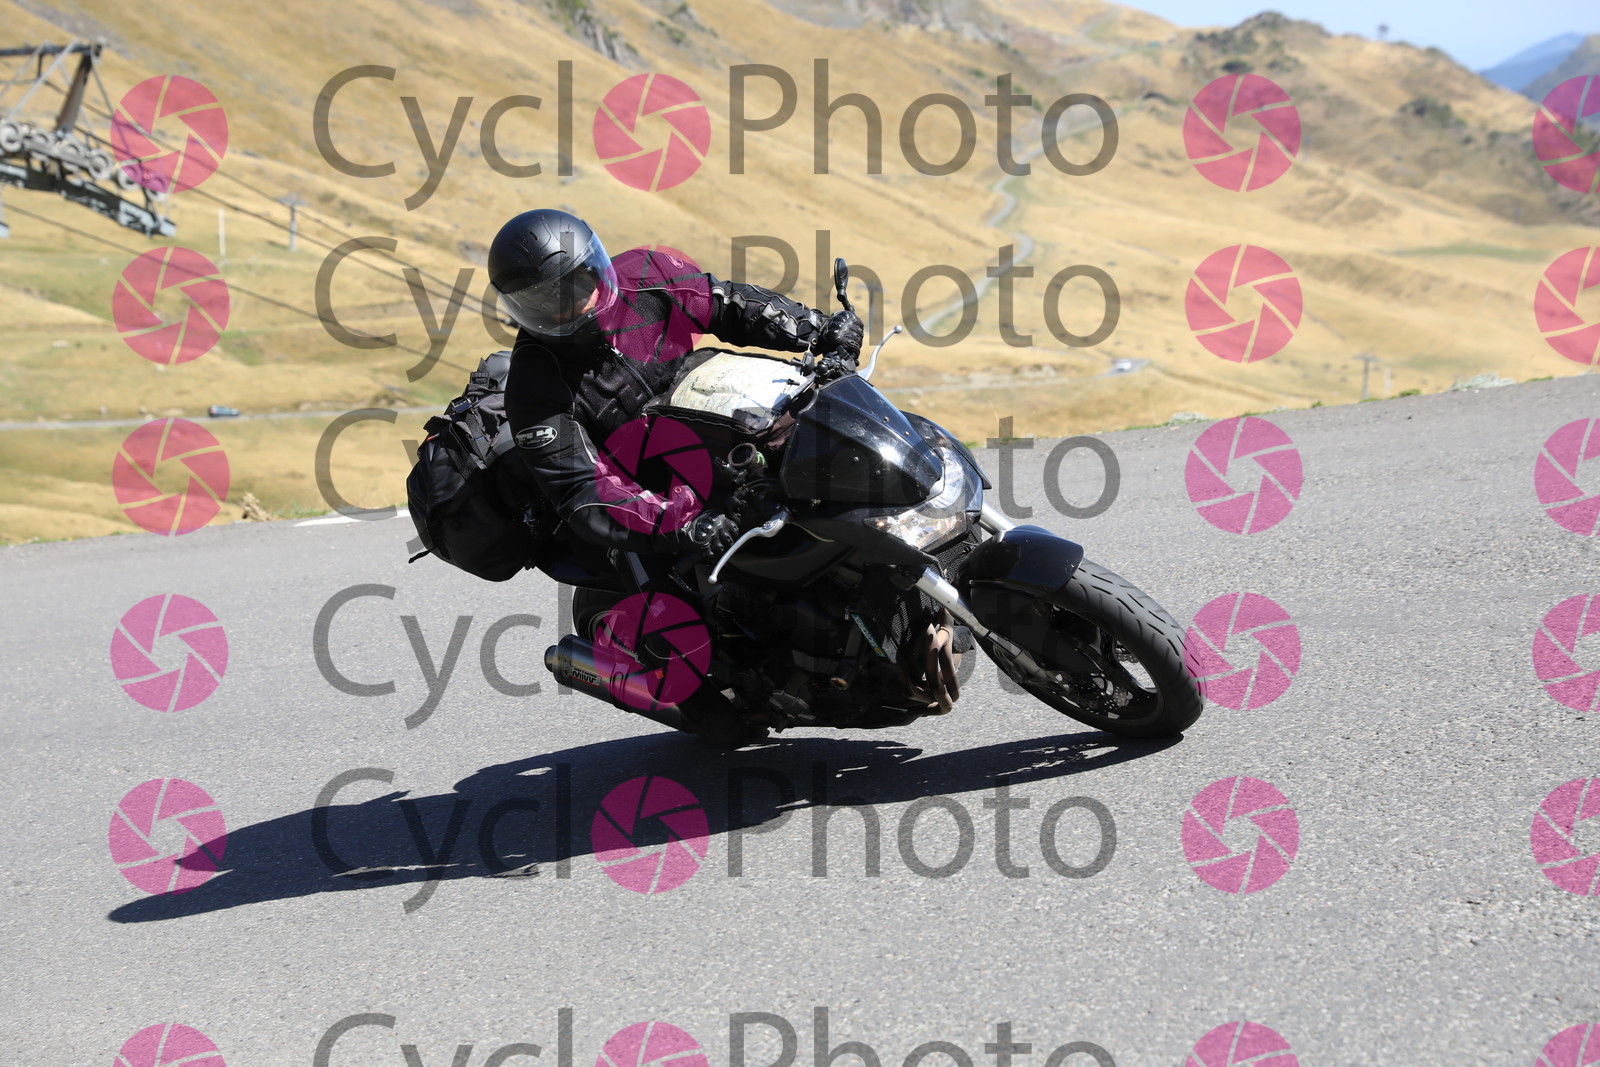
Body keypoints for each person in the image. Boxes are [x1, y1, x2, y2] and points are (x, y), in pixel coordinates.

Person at [490, 208, 863, 568]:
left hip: (720, 425)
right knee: (672, 596)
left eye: (576, 283)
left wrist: (816, 329)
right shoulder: (533, 388)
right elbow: (582, 490)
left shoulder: (644, 276)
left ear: (594, 266)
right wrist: (679, 525)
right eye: (543, 300)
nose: (571, 306)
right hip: (650, 495)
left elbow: (727, 303)